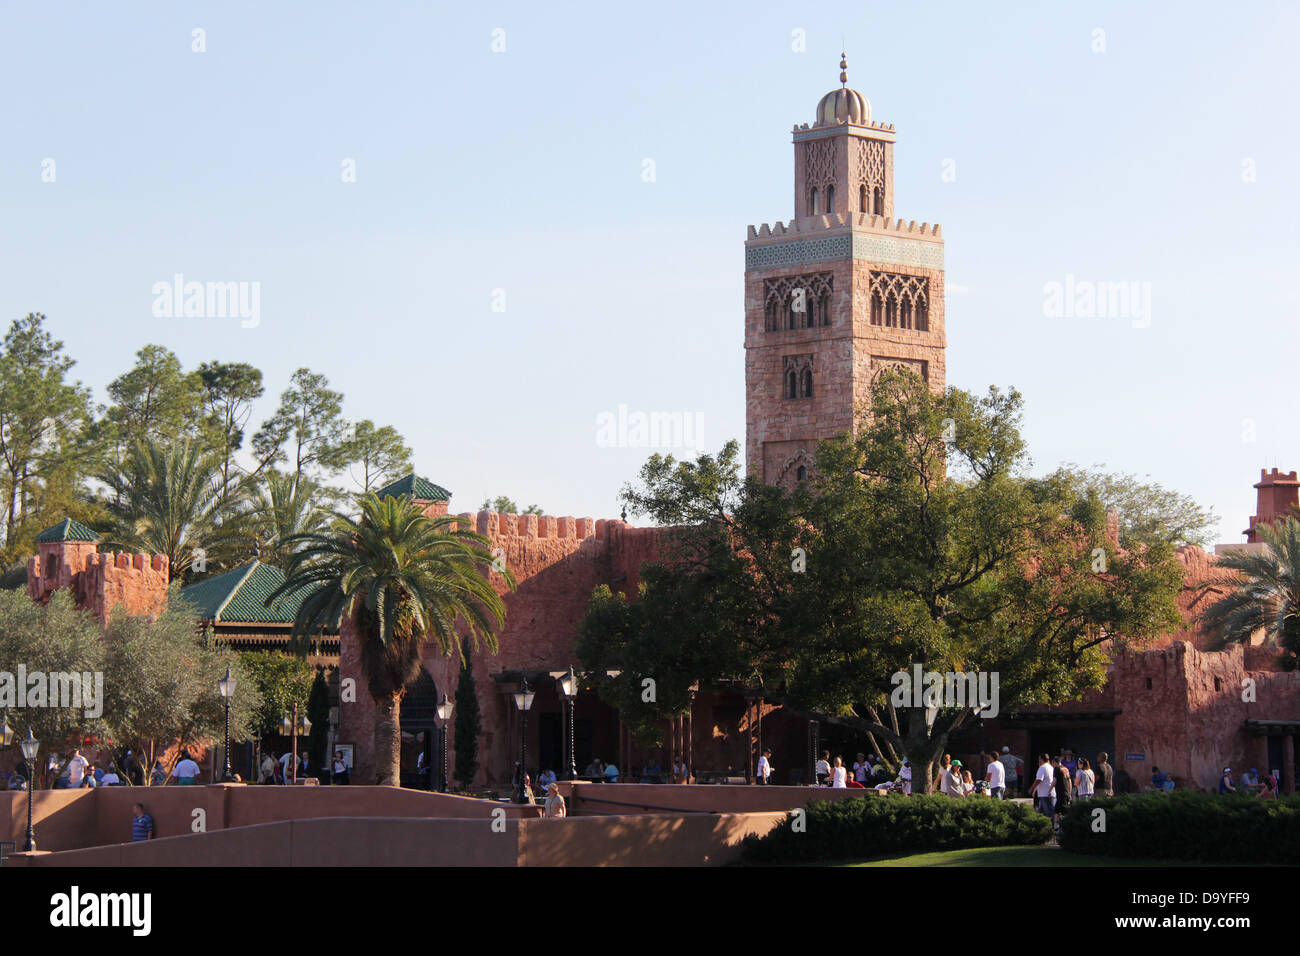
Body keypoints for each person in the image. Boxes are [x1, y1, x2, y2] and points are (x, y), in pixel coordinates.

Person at [1051, 756, 1072, 830]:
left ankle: (1056, 826)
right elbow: (1069, 781)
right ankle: (1063, 825)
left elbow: (1054, 780)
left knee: (1057, 810)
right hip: (1066, 792)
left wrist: (1049, 790)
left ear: (1054, 762)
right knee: (1064, 810)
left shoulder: (1056, 769)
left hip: (1060, 793)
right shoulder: (1065, 769)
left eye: (1052, 763)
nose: (1052, 765)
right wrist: (1070, 792)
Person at [1031, 754, 1055, 818]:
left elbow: (1038, 780)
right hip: (1050, 793)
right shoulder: (1051, 767)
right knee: (1041, 813)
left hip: (1045, 794)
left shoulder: (1042, 767)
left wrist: (1031, 789)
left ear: (1041, 759)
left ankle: (1051, 826)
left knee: (1049, 814)